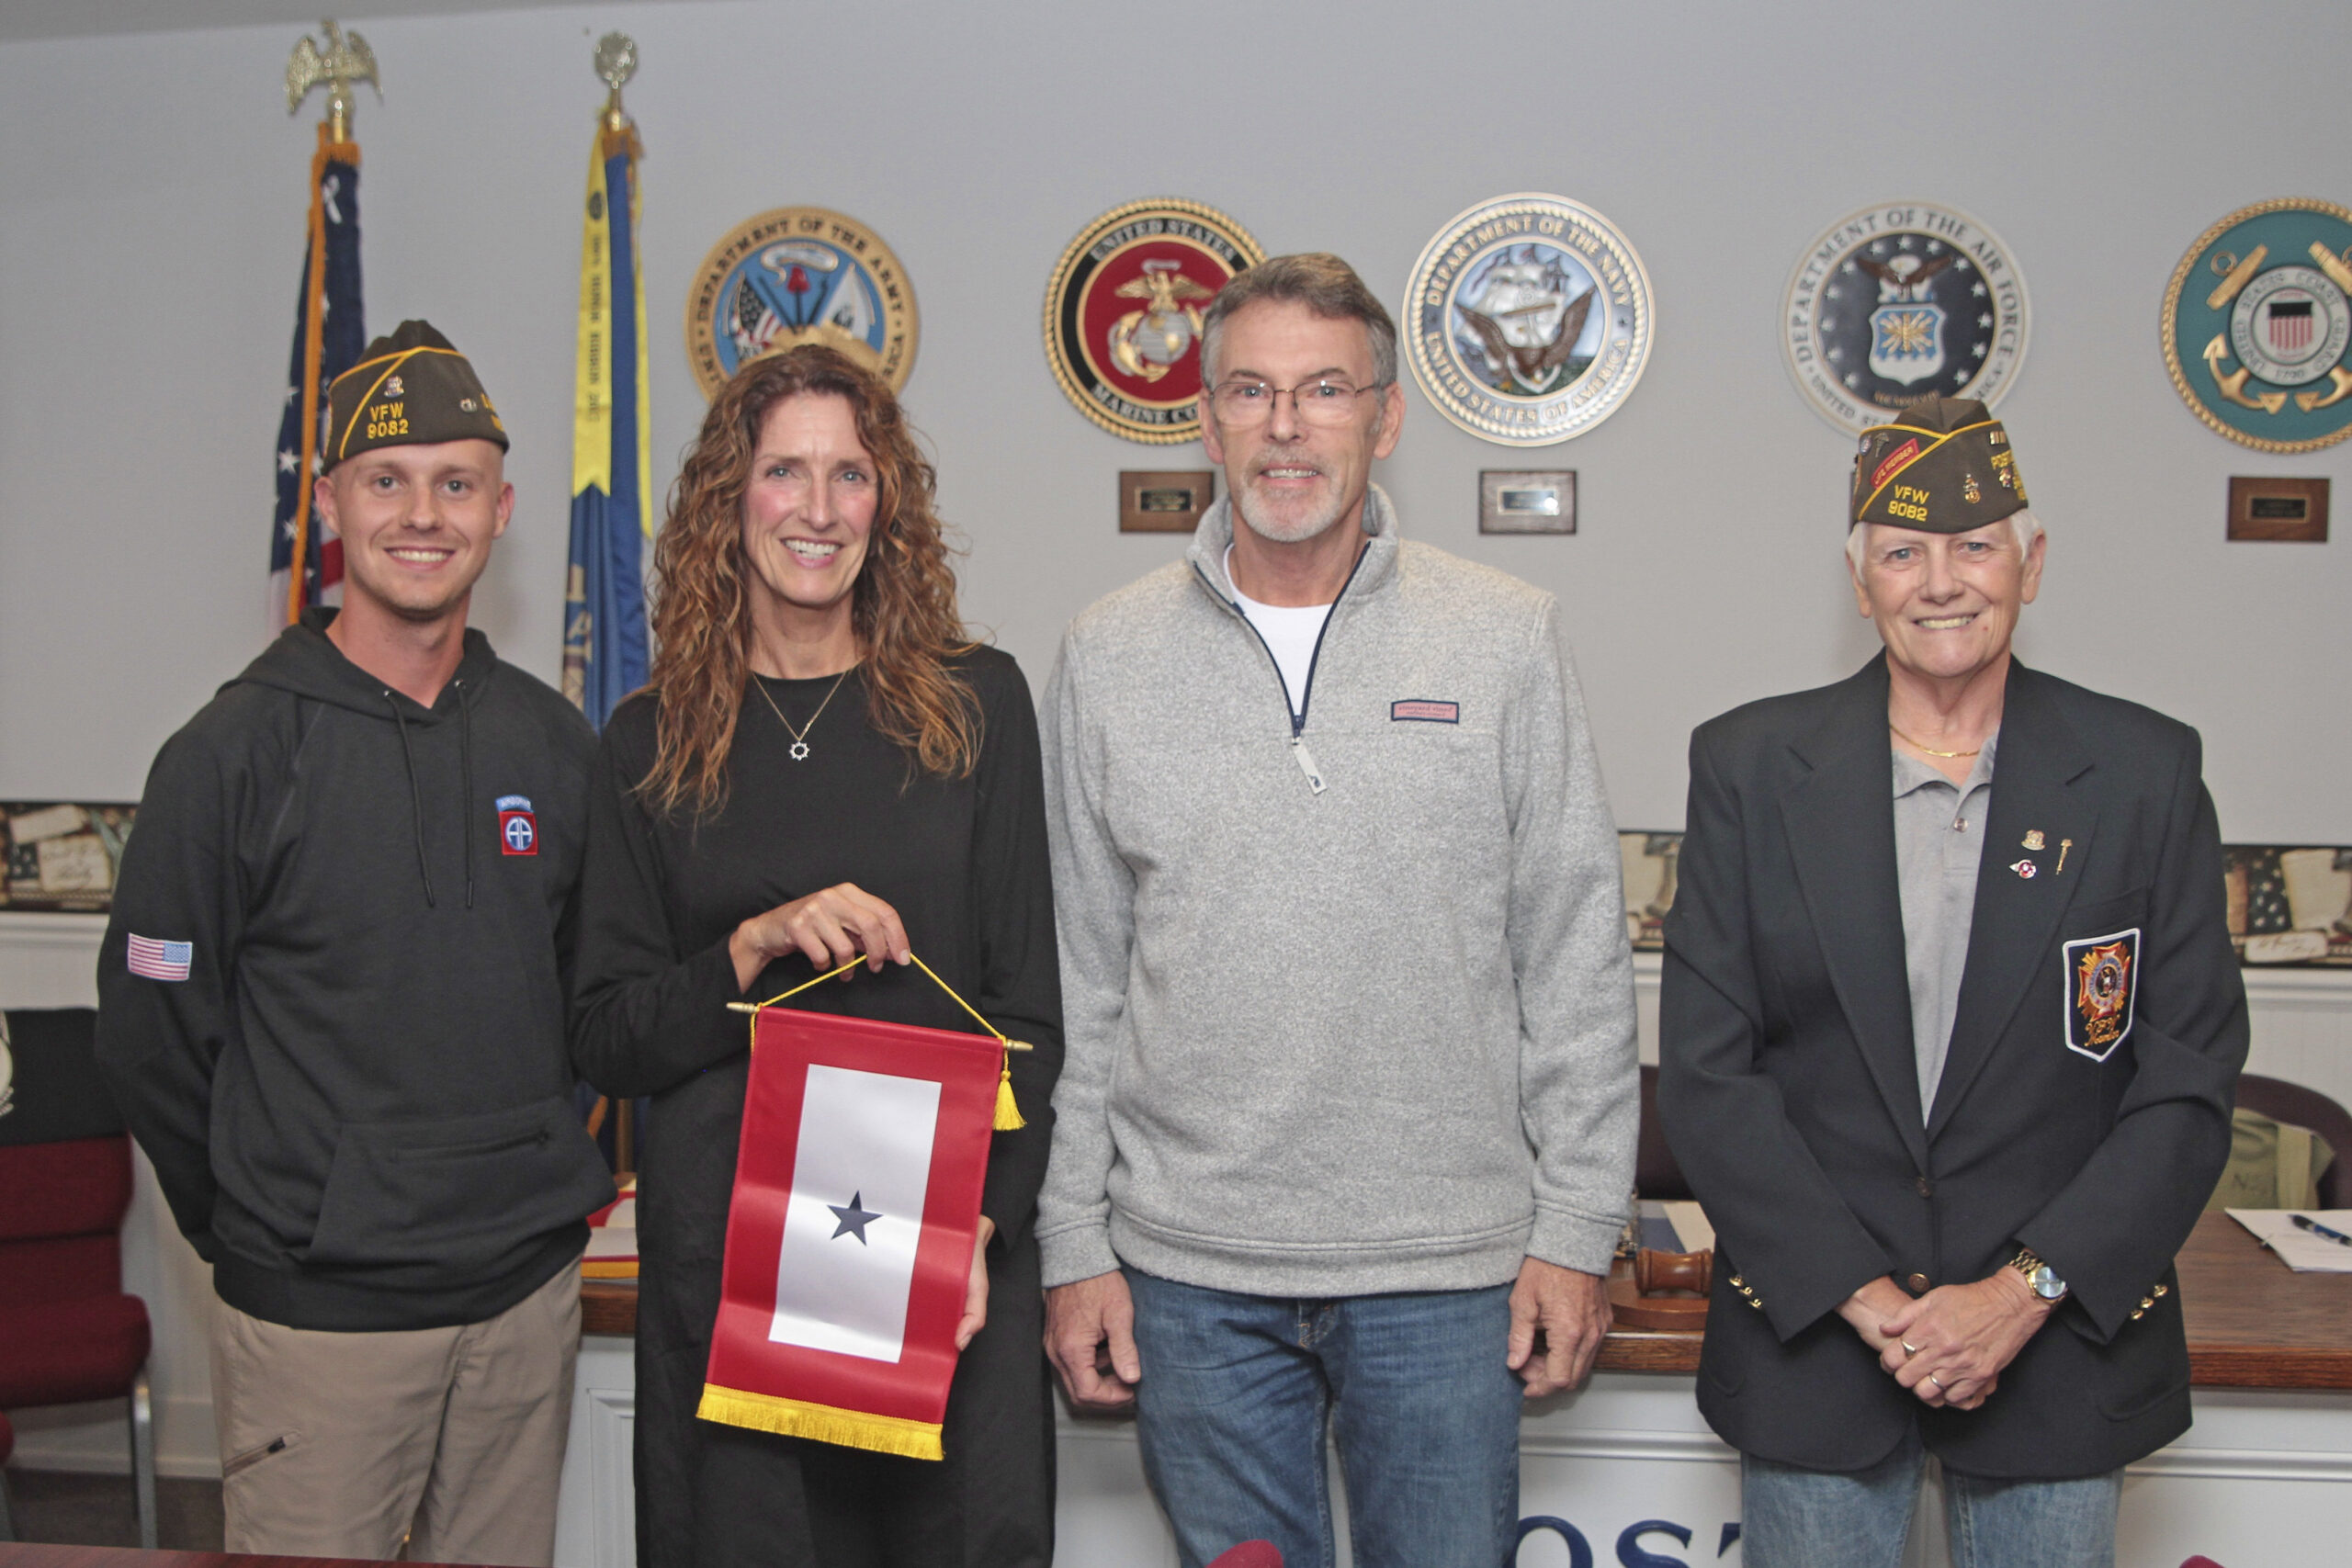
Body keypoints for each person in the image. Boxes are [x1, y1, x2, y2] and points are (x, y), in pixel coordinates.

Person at [1035, 254, 1637, 1568]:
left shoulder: (1505, 635)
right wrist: (1074, 1236)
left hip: (1445, 1269)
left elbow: (1575, 950)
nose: (1287, 424)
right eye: (1250, 389)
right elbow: (1084, 976)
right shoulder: (1107, 652)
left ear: (1386, 415)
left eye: (1323, 389)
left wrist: (1579, 1226)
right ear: (1206, 418)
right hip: (1191, 1271)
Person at [1657, 396, 2249, 1567]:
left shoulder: (2143, 771)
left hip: (2059, 1349)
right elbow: (1712, 1076)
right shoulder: (1746, 765)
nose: (1941, 581)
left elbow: (2185, 1082)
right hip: (1818, 1347)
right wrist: (1872, 1301)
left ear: (2031, 564)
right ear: (1858, 575)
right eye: (1903, 551)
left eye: (1974, 546)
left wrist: (2017, 1295)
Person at [96, 321, 615, 1565]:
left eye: (455, 481)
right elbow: (152, 1033)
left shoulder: (555, 747)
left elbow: (590, 999)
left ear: (501, 509)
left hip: (522, 1305)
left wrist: (541, 1156)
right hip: (319, 1324)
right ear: (331, 504)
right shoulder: (227, 756)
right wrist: (269, 1220)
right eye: (387, 479)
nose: (422, 513)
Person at [570, 344, 1062, 1568]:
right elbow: (607, 1032)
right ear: (727, 502)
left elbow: (1030, 1015)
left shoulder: (976, 708)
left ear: (886, 500)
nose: (819, 507)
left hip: (948, 1272)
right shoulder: (649, 741)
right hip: (735, 1282)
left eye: (851, 473)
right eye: (784, 470)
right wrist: (748, 943)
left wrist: (980, 1233)